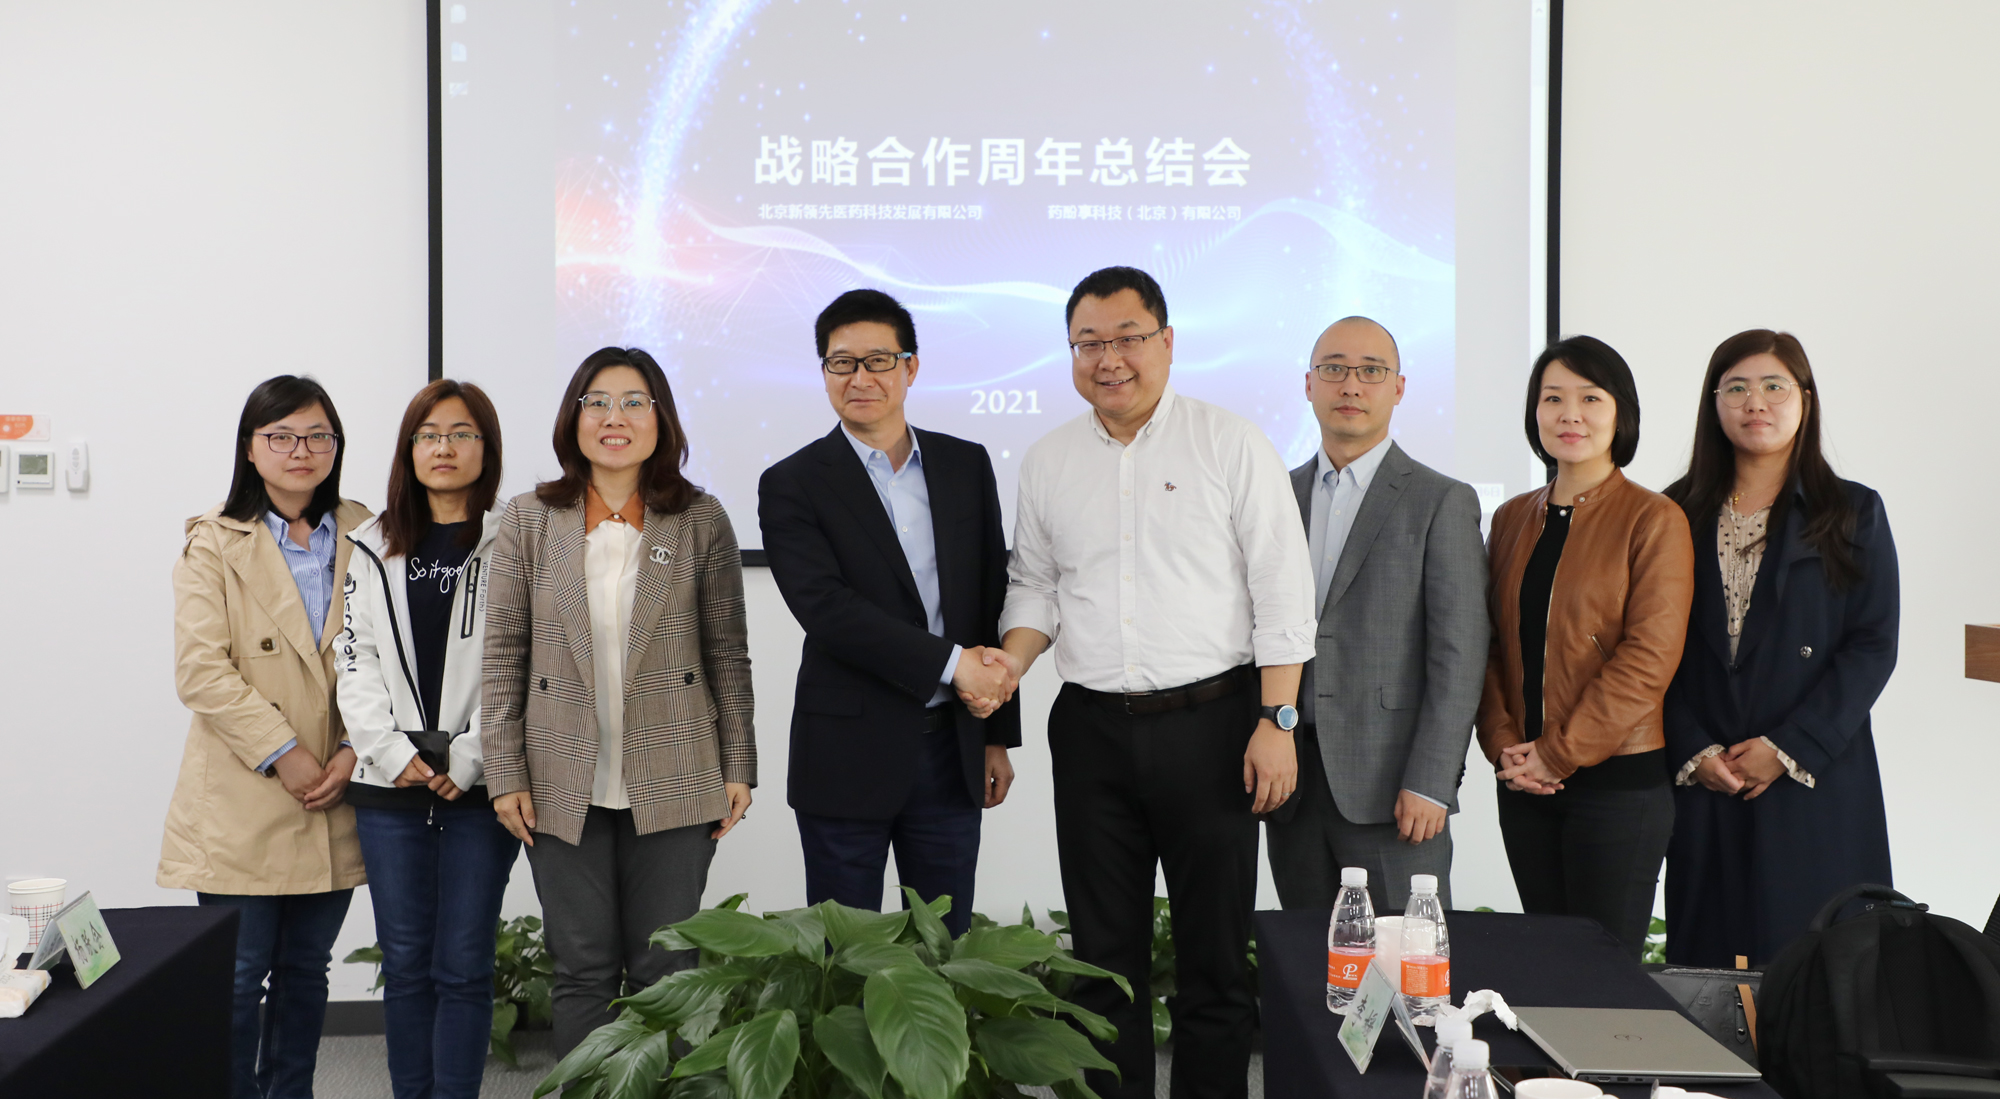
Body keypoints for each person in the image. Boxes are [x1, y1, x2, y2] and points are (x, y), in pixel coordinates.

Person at [986, 266, 1316, 1099]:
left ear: (1166, 341)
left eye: (1128, 338)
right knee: (1102, 961)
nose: (1110, 359)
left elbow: (1283, 591)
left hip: (1215, 726)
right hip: (1091, 731)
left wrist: (1277, 719)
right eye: (1089, 343)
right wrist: (1011, 663)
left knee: (1215, 960)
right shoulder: (1050, 458)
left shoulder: (1229, 442)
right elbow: (1034, 585)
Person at [480, 347, 756, 1056]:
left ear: (661, 419)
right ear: (573, 418)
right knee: (581, 968)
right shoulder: (529, 519)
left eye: (635, 402)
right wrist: (504, 772)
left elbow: (727, 654)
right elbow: (504, 655)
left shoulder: (699, 519)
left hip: (677, 769)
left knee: (668, 967)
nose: (615, 418)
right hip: (558, 776)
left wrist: (739, 764)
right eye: (597, 402)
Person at [758, 290, 1020, 937]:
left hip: (953, 749)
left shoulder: (965, 464)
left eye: (878, 360)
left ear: (911, 367)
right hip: (846, 754)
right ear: (824, 372)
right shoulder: (792, 482)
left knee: (944, 948)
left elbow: (989, 595)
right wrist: (954, 664)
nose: (860, 378)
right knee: (846, 955)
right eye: (841, 363)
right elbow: (828, 610)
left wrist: (995, 735)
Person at [159, 375, 370, 1099]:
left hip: (339, 785)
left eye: (317, 435)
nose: (299, 450)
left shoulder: (369, 532)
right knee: (238, 976)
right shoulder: (214, 541)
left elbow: (390, 658)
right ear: (250, 449)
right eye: (280, 436)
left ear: (335, 446)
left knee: (307, 970)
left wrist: (353, 751)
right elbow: (201, 670)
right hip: (245, 792)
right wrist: (286, 753)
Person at [1661, 330, 1898, 966]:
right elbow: (1648, 651)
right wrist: (1693, 749)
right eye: (1736, 388)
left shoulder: (1850, 510)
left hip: (1813, 778)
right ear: (1714, 403)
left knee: (1819, 974)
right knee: (1708, 976)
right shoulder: (1672, 512)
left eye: (1774, 386)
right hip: (1709, 778)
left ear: (1805, 400)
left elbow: (1873, 644)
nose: (1755, 402)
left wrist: (1789, 747)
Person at [1476, 336, 1694, 958]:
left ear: (1621, 413)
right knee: (1550, 968)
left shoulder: (1654, 518)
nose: (1570, 414)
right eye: (1553, 398)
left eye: (1590, 398)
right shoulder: (1511, 517)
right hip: (1525, 783)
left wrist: (1559, 754)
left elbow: (1648, 659)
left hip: (1618, 785)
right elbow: (1488, 645)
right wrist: (1504, 746)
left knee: (1605, 978)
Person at [1265, 317, 1488, 916]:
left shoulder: (1440, 500)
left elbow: (1461, 653)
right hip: (1290, 782)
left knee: (1406, 963)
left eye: (1371, 371)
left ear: (1399, 387)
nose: (1351, 385)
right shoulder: (1275, 495)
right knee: (1308, 957)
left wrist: (1432, 781)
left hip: (1394, 789)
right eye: (1334, 369)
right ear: (1308, 384)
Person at [335, 380, 519, 1098]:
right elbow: (353, 657)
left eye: (462, 433)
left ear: (486, 449)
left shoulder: (516, 540)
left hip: (481, 787)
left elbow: (526, 661)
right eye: (429, 434)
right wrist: (390, 751)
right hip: (389, 788)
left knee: (465, 966)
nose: (444, 447)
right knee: (407, 964)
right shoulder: (371, 544)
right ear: (409, 449)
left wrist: (471, 756)